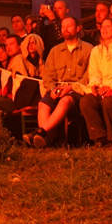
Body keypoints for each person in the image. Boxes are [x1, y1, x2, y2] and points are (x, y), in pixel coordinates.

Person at [29, 16, 91, 148]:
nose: (65, 29)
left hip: (77, 90)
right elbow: (48, 75)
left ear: (78, 28)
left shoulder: (88, 49)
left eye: (69, 26)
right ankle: (45, 138)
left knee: (65, 101)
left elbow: (89, 75)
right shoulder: (55, 51)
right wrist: (52, 89)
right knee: (43, 105)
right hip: (57, 88)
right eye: (63, 26)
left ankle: (41, 133)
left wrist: (71, 87)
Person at [79, 18, 112, 145]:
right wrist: (95, 85)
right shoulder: (96, 50)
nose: (104, 30)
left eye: (108, 26)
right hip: (102, 88)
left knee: (108, 102)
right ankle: (99, 137)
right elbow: (94, 73)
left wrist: (111, 86)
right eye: (102, 27)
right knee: (86, 101)